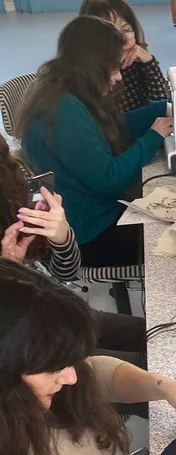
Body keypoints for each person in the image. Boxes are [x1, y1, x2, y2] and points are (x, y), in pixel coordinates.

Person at [0, 258, 176, 455]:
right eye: (54, 368)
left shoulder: (49, 386)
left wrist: (163, 386)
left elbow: (97, 372)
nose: (71, 378)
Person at [15, 16, 173, 269]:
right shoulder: (62, 113)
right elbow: (108, 179)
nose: (119, 77)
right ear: (94, 65)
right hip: (90, 236)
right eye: (113, 67)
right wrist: (153, 137)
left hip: (94, 217)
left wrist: (159, 110)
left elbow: (104, 130)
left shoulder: (62, 87)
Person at [0, 135, 147, 372]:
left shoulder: (11, 183)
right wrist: (8, 270)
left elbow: (65, 272)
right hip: (28, 350)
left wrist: (61, 236)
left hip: (55, 315)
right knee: (147, 368)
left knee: (159, 334)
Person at [78, 0, 170, 112]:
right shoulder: (87, 78)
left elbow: (163, 108)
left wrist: (149, 63)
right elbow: (111, 125)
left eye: (126, 30)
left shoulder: (135, 61)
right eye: (110, 33)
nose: (122, 39)